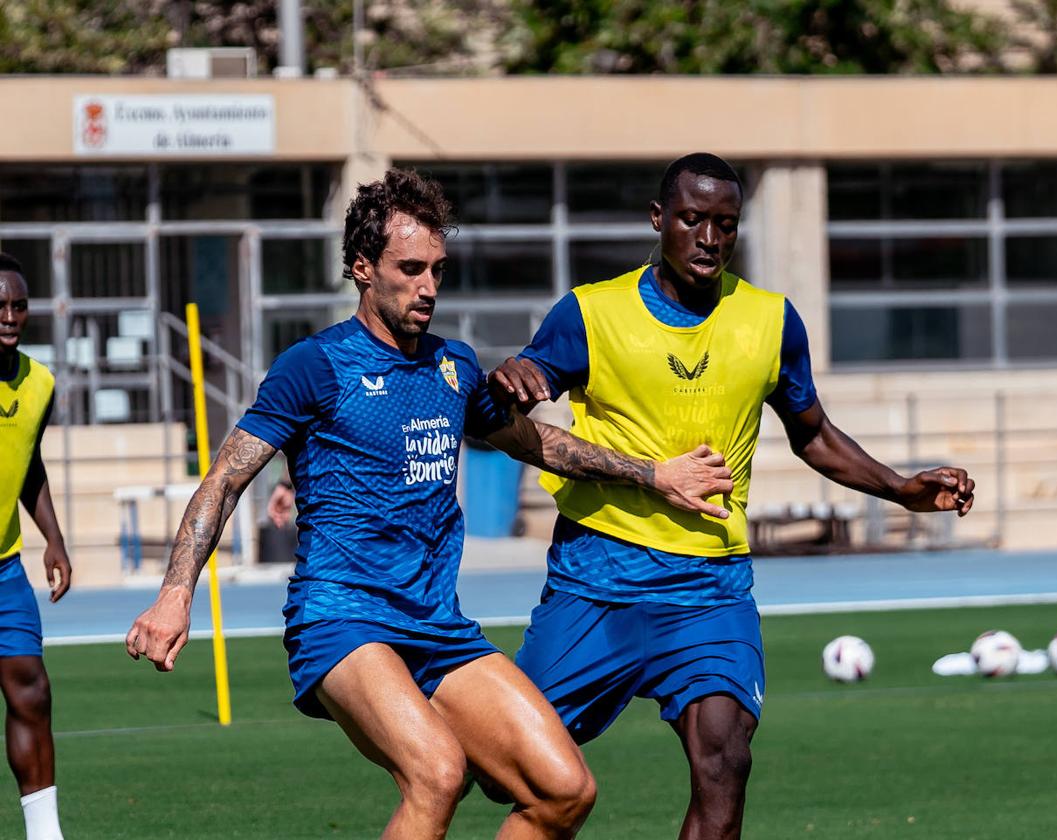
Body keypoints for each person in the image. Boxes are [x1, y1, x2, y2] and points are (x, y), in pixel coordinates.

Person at [125, 168, 733, 840]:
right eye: (410, 269)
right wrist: (175, 593)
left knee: (564, 791)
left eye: (438, 270)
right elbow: (225, 479)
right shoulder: (316, 365)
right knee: (437, 772)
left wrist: (653, 474)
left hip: (436, 626)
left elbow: (540, 445)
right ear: (362, 268)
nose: (429, 288)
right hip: (342, 618)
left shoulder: (455, 366)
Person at [489, 153, 976, 840]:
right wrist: (519, 374)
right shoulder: (591, 313)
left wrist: (900, 488)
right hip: (597, 581)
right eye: (692, 220)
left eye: (725, 224)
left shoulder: (771, 322)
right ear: (660, 220)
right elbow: (528, 380)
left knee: (726, 761)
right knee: (506, 769)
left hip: (709, 589)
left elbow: (813, 433)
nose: (709, 238)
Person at [0, 253, 71, 840]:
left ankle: (45, 835)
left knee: (32, 687)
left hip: (4, 571)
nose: (9, 316)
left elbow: (28, 465)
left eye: (18, 305)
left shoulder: (40, 382)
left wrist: (54, 539)